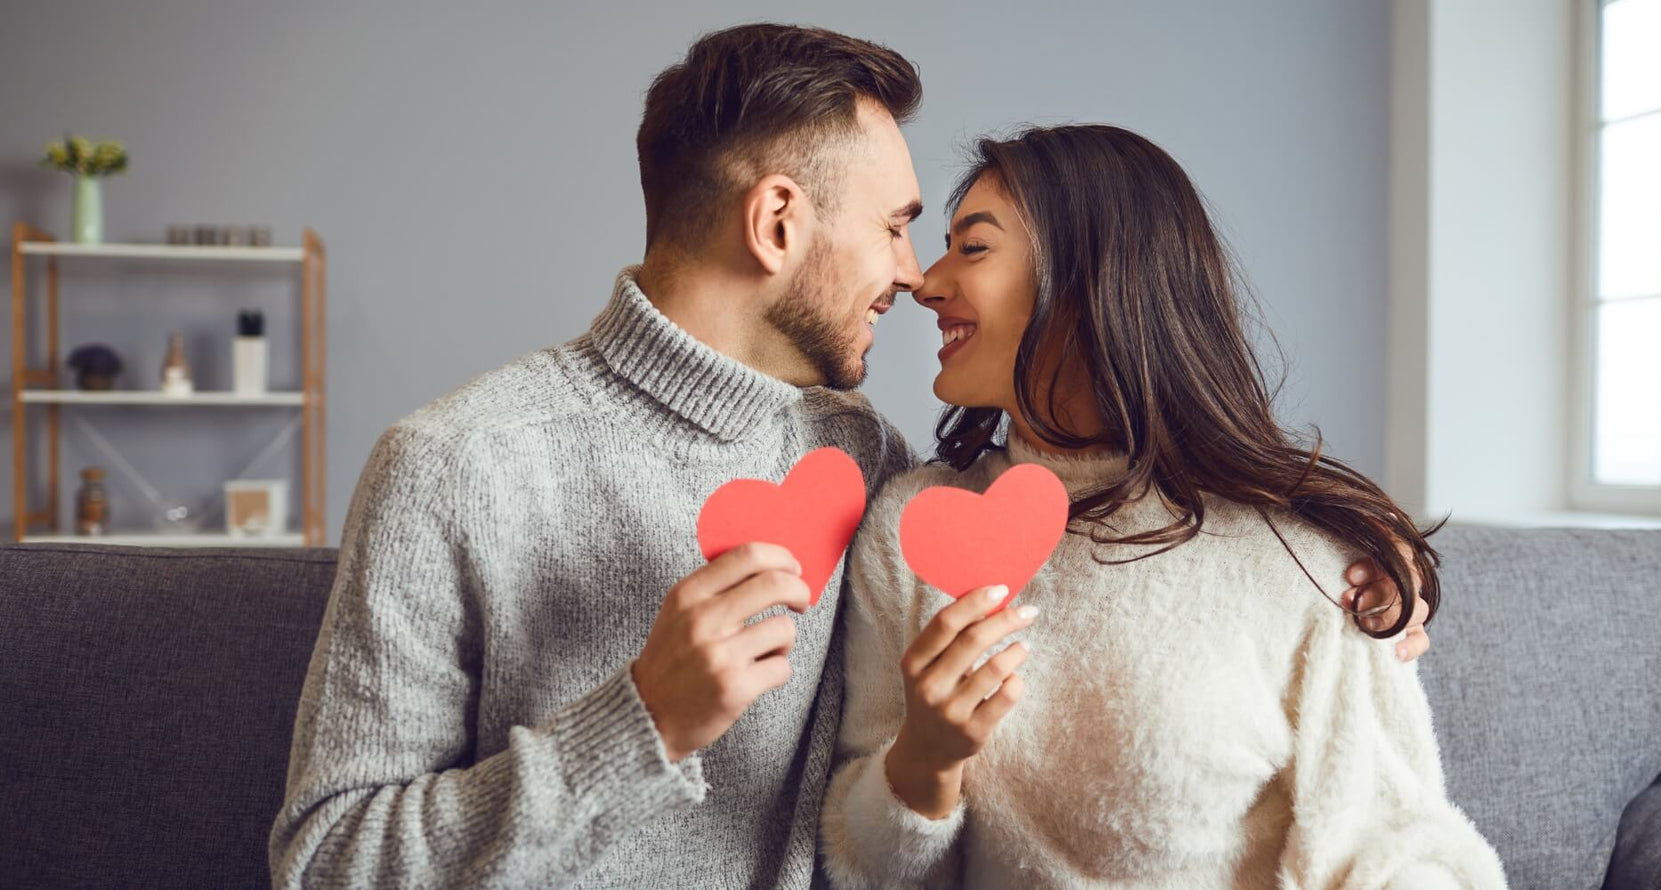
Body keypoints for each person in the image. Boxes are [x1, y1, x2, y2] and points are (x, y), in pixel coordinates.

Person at [268, 24, 1428, 889]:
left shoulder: (865, 463)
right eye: (895, 225)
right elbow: (325, 858)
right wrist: (639, 720)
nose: (915, 274)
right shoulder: (453, 465)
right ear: (778, 223)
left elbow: (1095, 496)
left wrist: (1374, 562)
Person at [820, 125, 1501, 889]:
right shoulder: (915, 529)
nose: (926, 282)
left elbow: (1401, 847)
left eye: (972, 249)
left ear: (1090, 283)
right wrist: (923, 763)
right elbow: (859, 864)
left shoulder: (1314, 564)